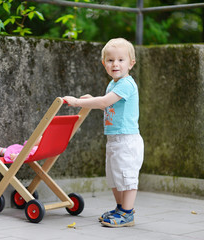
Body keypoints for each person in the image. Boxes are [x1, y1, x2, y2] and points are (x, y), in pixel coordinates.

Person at [63, 38, 144, 228]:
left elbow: (104, 102)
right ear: (104, 63)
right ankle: (119, 208)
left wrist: (77, 102)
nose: (115, 64)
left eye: (121, 60)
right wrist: (94, 99)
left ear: (131, 63)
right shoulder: (113, 85)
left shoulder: (126, 84)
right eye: (110, 60)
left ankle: (127, 213)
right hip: (114, 138)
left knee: (127, 177)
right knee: (114, 177)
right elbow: (107, 104)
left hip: (126, 140)